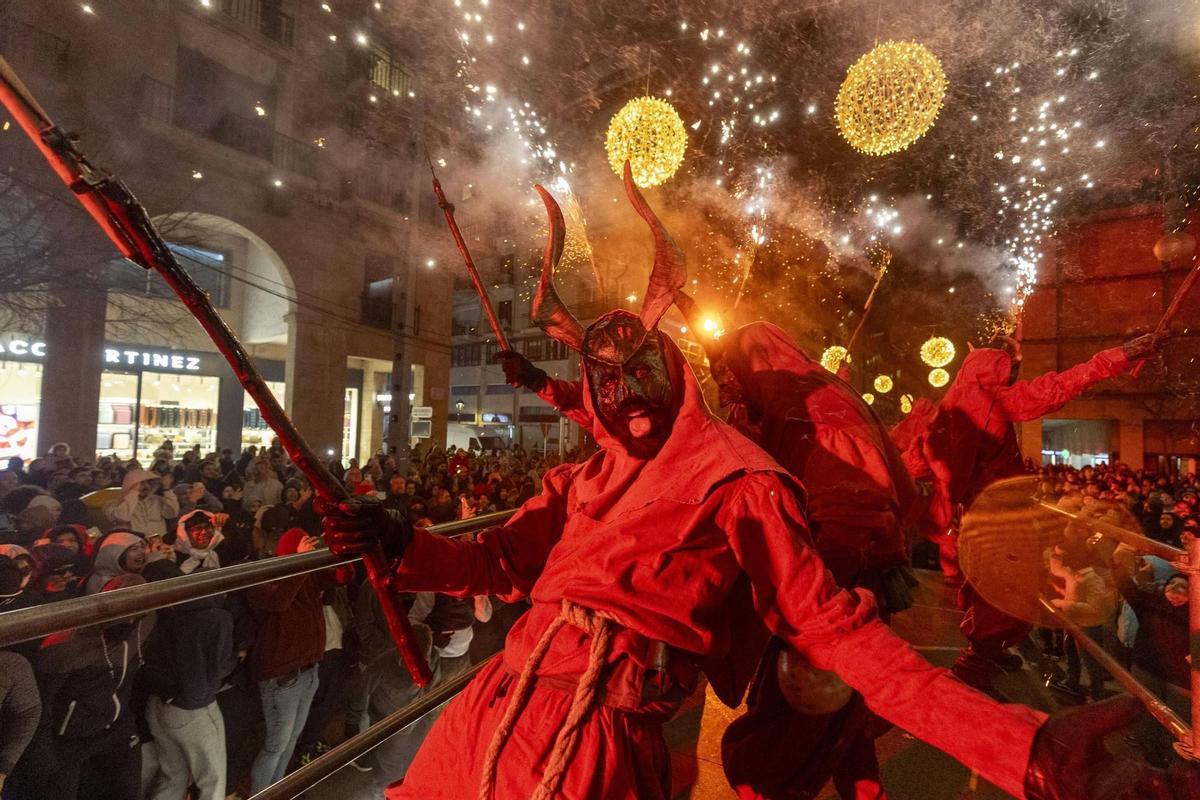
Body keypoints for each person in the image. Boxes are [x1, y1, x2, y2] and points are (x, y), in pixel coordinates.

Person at [324, 169, 1194, 800]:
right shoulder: (586, 473)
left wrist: (1026, 748)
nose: (626, 399)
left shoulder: (744, 479)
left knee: (803, 738)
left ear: (685, 374)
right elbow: (496, 566)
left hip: (585, 742)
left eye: (643, 375)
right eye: (607, 383)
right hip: (485, 708)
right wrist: (402, 547)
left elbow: (856, 647)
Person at [904, 332, 1163, 691]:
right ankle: (973, 668)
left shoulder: (946, 408)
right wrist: (1122, 355)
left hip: (974, 515)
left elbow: (917, 462)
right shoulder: (992, 401)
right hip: (1001, 516)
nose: (1011, 378)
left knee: (985, 583)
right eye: (1007, 370)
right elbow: (1059, 387)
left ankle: (985, 650)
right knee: (1011, 586)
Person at [245, 528, 349, 793]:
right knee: (276, 745)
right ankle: (261, 793)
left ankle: (277, 791)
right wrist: (301, 562)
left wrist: (338, 551)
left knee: (291, 740)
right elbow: (278, 602)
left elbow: (342, 576)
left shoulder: (308, 575)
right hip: (282, 676)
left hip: (309, 670)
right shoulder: (265, 575)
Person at [140, 559, 238, 800]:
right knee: (212, 781)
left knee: (173, 775)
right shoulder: (217, 619)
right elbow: (219, 667)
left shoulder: (167, 613)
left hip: (159, 705)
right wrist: (237, 656)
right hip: (195, 708)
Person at [108, 469, 180, 539]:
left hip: (158, 545)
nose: (146, 486)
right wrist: (134, 492)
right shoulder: (114, 503)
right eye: (141, 483)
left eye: (148, 483)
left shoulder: (157, 500)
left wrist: (166, 490)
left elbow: (172, 513)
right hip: (133, 546)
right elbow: (123, 517)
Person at [85, 530, 149, 594]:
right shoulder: (131, 581)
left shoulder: (94, 578)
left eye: (142, 547)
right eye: (134, 549)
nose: (142, 552)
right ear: (114, 554)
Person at [173, 509, 225, 573]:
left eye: (207, 527)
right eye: (198, 528)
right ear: (185, 533)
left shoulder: (221, 550)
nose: (204, 532)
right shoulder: (173, 556)